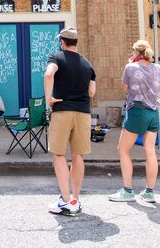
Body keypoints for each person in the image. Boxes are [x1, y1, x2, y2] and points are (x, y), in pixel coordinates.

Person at [109, 39, 160, 204]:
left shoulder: (130, 68)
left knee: (123, 150)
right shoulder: (158, 68)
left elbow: (124, 89)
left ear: (137, 53)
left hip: (137, 111)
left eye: (133, 52)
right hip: (153, 113)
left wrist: (130, 66)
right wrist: (159, 101)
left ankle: (127, 190)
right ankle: (149, 192)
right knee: (150, 151)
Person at [45, 27, 95, 216]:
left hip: (63, 111)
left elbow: (49, 74)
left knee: (58, 155)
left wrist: (49, 98)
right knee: (78, 156)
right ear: (76, 42)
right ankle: (75, 198)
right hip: (83, 114)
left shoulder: (57, 57)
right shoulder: (87, 64)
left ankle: (65, 200)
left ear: (62, 42)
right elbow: (92, 92)